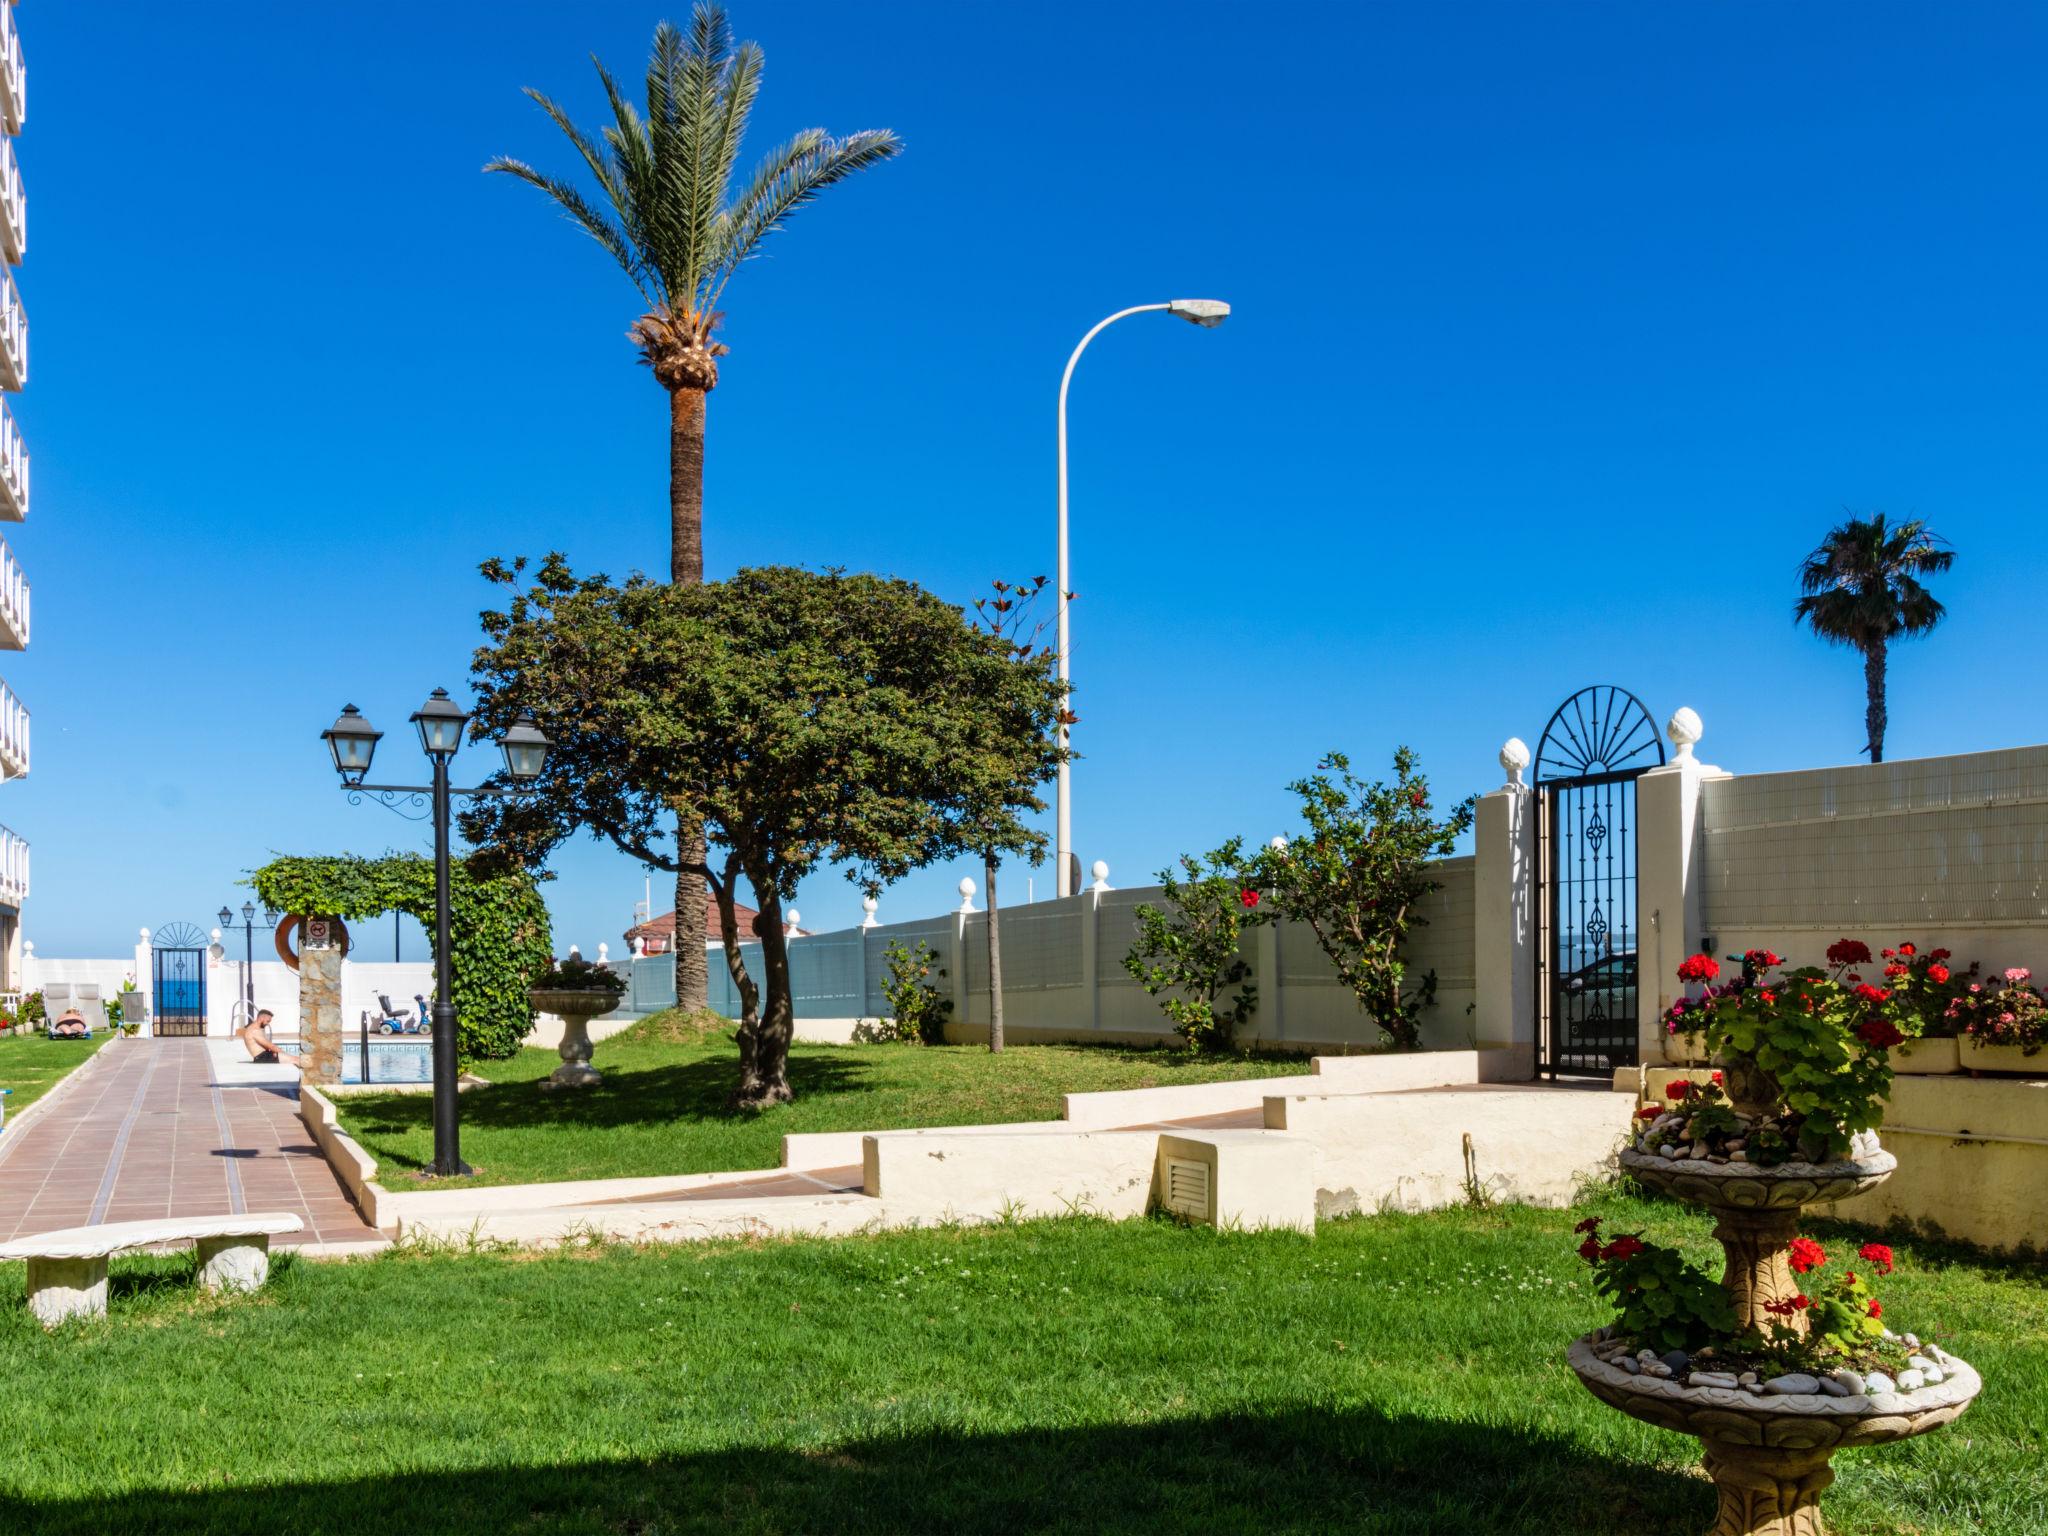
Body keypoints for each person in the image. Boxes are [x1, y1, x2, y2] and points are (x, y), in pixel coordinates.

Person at [238, 1009, 304, 1068]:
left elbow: (265, 1046)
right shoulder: (254, 1030)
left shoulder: (256, 1028)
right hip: (262, 1058)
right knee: (296, 1060)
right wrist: (285, 1054)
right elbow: (271, 1046)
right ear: (262, 1018)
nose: (268, 1023)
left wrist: (274, 1052)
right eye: (268, 1021)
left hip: (265, 1055)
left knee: (296, 1059)